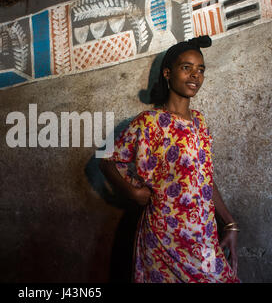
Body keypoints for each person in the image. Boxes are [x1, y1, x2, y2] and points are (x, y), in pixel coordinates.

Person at [99, 35, 240, 283]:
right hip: (163, 237)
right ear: (167, 73)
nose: (195, 76)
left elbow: (204, 179)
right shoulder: (148, 122)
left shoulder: (200, 122)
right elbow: (107, 161)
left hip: (203, 236)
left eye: (200, 70)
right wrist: (133, 192)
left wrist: (230, 224)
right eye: (187, 68)